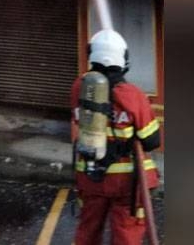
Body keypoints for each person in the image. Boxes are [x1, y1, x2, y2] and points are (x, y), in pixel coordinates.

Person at [71, 29, 161, 245]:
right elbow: (151, 140)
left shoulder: (79, 88)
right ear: (122, 57)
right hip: (127, 180)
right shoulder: (132, 95)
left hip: (92, 175)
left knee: (88, 230)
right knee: (126, 233)